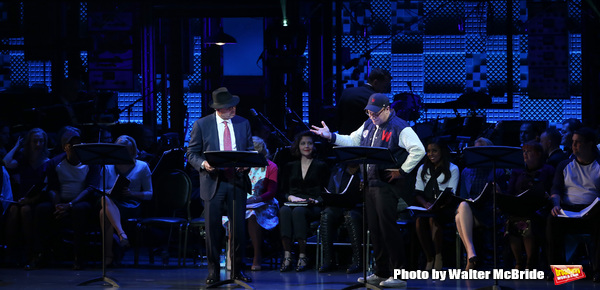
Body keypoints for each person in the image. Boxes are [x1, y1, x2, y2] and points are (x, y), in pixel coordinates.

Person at [311, 93, 425, 288]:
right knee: (375, 229)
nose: (372, 116)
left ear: (387, 108)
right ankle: (381, 272)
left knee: (388, 229)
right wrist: (330, 136)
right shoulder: (368, 125)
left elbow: (418, 149)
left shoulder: (400, 126)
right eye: (369, 112)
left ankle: (399, 275)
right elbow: (352, 140)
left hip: (386, 186)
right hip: (370, 184)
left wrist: (402, 171)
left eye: (376, 113)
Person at [186, 87, 254, 285]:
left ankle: (238, 270)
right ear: (218, 109)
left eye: (233, 106)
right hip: (213, 181)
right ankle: (214, 270)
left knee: (239, 229)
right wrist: (204, 165)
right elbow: (191, 153)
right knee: (213, 229)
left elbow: (249, 150)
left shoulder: (243, 123)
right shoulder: (202, 124)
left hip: (236, 181)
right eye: (228, 107)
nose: (233, 109)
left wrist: (246, 163)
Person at [39, 128, 101, 270]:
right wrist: (58, 206)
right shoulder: (55, 163)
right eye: (72, 145)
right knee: (41, 210)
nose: (76, 147)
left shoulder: (91, 162)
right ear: (65, 147)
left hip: (81, 202)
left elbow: (91, 188)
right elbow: (53, 188)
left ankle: (78, 257)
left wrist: (71, 204)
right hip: (61, 201)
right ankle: (41, 254)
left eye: (79, 143)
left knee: (79, 211)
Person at [546, 127, 600, 283]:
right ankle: (558, 270)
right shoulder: (564, 165)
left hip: (592, 211)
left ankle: (598, 270)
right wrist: (556, 204)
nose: (574, 146)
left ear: (590, 144)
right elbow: (556, 189)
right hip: (569, 210)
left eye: (578, 143)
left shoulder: (598, 166)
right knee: (552, 220)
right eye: (573, 142)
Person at [278, 131, 329, 272]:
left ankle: (303, 255)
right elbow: (282, 190)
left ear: (314, 145)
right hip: (293, 201)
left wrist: (316, 201)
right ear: (298, 146)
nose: (306, 146)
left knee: (299, 212)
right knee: (284, 210)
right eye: (303, 143)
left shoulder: (321, 166)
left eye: (309, 143)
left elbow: (327, 191)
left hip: (312, 205)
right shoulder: (289, 166)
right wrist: (290, 197)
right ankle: (287, 255)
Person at [99, 135, 153, 267]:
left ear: (132, 151)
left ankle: (109, 255)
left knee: (103, 213)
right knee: (104, 200)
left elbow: (149, 194)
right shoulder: (108, 166)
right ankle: (121, 235)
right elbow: (100, 188)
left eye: (126, 150)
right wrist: (110, 190)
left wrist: (132, 193)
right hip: (111, 200)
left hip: (131, 204)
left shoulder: (142, 166)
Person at [455, 137, 506, 270]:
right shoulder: (467, 171)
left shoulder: (497, 170)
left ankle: (470, 257)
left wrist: (498, 191)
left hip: (489, 212)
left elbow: (504, 198)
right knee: (463, 206)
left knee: (458, 217)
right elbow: (463, 196)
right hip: (472, 211)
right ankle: (471, 253)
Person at [3, 128, 51, 269]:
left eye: (41, 141)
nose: (38, 144)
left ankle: (29, 252)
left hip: (37, 198)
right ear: (29, 142)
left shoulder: (47, 162)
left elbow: (45, 189)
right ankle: (11, 253)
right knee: (13, 210)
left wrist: (30, 200)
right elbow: (6, 162)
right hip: (21, 198)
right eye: (35, 141)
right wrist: (17, 146)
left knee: (25, 211)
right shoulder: (23, 159)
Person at [502, 141, 553, 270]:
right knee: (512, 222)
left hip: (539, 209)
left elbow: (551, 191)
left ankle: (530, 263)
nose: (525, 154)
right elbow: (510, 192)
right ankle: (519, 262)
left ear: (538, 154)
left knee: (528, 223)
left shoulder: (548, 170)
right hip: (519, 207)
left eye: (528, 151)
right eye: (523, 151)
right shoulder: (518, 170)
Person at [413, 138, 459, 271]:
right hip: (426, 206)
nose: (431, 154)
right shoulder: (423, 168)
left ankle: (438, 256)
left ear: (442, 151)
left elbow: (451, 194)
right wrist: (426, 204)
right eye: (428, 151)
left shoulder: (453, 168)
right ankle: (429, 258)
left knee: (434, 218)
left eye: (434, 151)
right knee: (419, 221)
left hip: (444, 206)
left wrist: (437, 206)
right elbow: (417, 193)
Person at [318, 162, 362, 274]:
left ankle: (358, 261)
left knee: (351, 215)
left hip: (359, 207)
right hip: (339, 205)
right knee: (327, 214)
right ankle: (329, 260)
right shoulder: (338, 169)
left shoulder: (364, 170)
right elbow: (331, 191)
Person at [245, 136, 279, 271]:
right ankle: (234, 257)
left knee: (253, 214)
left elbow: (271, 192)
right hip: (245, 201)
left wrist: (256, 200)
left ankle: (257, 256)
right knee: (232, 214)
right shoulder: (244, 166)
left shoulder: (271, 166)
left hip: (264, 203)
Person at [337, 68, 392, 134]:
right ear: (375, 82)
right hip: (364, 141)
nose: (384, 89)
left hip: (343, 139)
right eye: (384, 86)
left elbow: (338, 119)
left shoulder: (346, 92)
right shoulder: (378, 99)